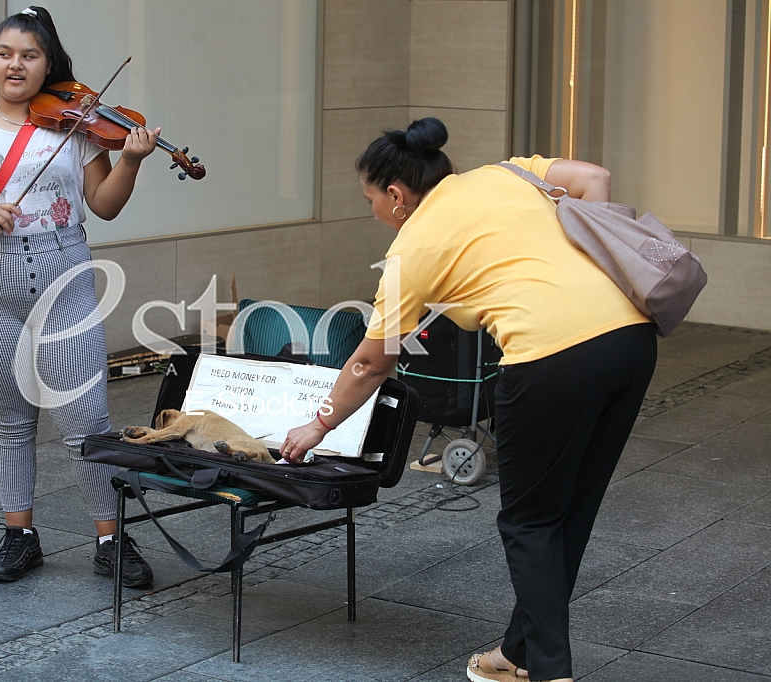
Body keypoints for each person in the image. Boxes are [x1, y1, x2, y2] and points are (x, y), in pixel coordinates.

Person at [280, 118, 656, 682]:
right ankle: (518, 654)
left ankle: (551, 673)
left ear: (396, 195)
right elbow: (593, 178)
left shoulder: (412, 248)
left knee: (529, 523)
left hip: (550, 357)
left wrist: (318, 426)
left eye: (370, 201)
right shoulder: (504, 174)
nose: (374, 213)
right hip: (631, 337)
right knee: (566, 513)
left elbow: (368, 362)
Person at [0, 6, 158, 587]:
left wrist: (131, 160)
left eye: (29, 55)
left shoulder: (76, 127)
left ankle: (110, 537)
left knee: (85, 421)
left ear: (48, 65)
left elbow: (105, 204)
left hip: (63, 289)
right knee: (9, 420)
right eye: (6, 54)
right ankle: (19, 533)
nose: (16, 65)